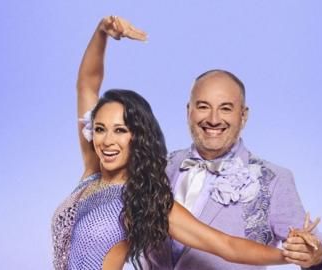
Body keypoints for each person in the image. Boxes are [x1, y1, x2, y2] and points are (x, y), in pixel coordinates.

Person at [51, 16, 301, 270]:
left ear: (136, 137)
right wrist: (101, 32)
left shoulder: (143, 198)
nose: (107, 140)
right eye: (101, 129)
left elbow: (226, 246)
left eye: (120, 130)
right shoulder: (91, 175)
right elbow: (86, 84)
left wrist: (287, 256)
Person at [146, 70, 322, 270]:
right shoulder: (157, 169)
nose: (213, 119)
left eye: (225, 109)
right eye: (203, 107)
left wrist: (316, 252)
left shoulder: (274, 179)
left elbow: (307, 238)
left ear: (243, 115)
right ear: (189, 111)